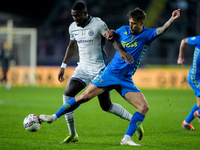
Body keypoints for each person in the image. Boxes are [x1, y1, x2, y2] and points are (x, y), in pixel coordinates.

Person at [40, 7, 180, 146]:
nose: (131, 26)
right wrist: (110, 33)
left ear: (141, 23)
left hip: (126, 79)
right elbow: (112, 36)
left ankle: (126, 138)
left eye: (134, 24)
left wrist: (172, 19)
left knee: (143, 107)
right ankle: (53, 117)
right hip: (110, 73)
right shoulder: (123, 29)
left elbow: (161, 30)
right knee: (84, 97)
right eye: (130, 22)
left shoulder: (148, 35)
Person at [54, 2, 143, 143]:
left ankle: (134, 120)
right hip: (82, 68)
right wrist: (63, 66)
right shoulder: (72, 27)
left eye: (77, 16)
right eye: (73, 16)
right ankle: (73, 134)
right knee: (67, 94)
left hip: (100, 69)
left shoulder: (98, 23)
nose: (75, 19)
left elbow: (111, 39)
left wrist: (121, 52)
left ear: (85, 13)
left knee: (106, 106)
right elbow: (71, 46)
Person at [177, 36, 200, 130]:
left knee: (199, 104)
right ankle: (198, 114)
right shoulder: (199, 39)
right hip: (194, 77)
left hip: (197, 76)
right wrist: (180, 57)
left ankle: (186, 122)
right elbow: (183, 41)